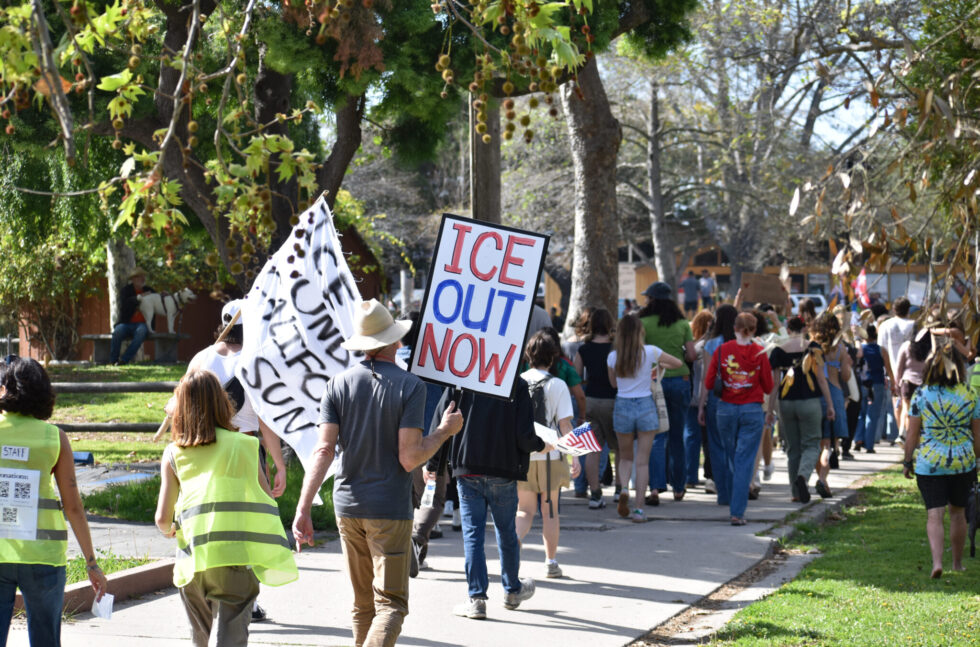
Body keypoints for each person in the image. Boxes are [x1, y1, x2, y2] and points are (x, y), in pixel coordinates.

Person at [292, 299, 463, 646]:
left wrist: (303, 506)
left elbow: (323, 450)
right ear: (395, 341)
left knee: (363, 605)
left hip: (347, 507)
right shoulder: (410, 385)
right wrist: (444, 432)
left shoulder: (337, 384)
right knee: (391, 605)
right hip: (389, 508)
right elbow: (409, 457)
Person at [155, 370, 297, 647]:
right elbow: (264, 499)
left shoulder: (173, 453)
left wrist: (170, 529)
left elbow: (162, 518)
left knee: (200, 637)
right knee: (231, 637)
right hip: (235, 557)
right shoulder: (245, 445)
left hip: (193, 559)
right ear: (223, 403)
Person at [168, 299, 288, 622]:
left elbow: (179, 404)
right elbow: (264, 418)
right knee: (244, 524)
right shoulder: (254, 361)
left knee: (210, 520)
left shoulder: (201, 358)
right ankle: (244, 598)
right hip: (242, 450)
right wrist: (278, 462)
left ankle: (208, 588)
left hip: (201, 450)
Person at [0, 357, 107, 647]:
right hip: (44, 554)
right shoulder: (54, 438)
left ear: (5, 389)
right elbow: (72, 506)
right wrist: (91, 563)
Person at [427, 382, 544, 620]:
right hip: (504, 467)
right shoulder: (516, 383)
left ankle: (477, 598)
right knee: (506, 531)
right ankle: (512, 590)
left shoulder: (461, 378)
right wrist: (541, 445)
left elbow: (441, 420)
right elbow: (524, 436)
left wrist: (432, 463)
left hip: (467, 465)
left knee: (473, 534)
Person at [902, 337, 980, 578]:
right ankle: (957, 563)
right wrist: (976, 460)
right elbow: (978, 434)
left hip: (930, 463)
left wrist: (907, 461)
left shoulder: (921, 395)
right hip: (963, 462)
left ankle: (937, 562)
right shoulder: (970, 394)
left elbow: (912, 433)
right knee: (958, 513)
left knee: (934, 514)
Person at [608, 314, 683, 522]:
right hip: (646, 406)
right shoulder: (650, 352)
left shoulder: (613, 356)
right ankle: (639, 510)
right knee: (642, 462)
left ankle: (624, 488)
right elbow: (678, 362)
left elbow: (613, 384)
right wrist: (658, 368)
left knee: (625, 457)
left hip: (622, 405)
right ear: (640, 332)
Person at [517, 332, 580, 579]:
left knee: (524, 511)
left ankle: (513, 545)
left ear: (528, 355)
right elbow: (565, 425)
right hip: (551, 457)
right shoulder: (558, 385)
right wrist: (575, 457)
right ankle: (551, 562)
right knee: (550, 511)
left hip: (523, 455)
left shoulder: (518, 382)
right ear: (553, 357)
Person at [703, 312, 774, 525]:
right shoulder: (760, 352)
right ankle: (737, 512)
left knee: (729, 454)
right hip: (751, 410)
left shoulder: (722, 350)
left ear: (734, 328)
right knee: (744, 460)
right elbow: (768, 386)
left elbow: (709, 383)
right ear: (754, 330)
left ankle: (726, 496)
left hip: (725, 408)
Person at [637, 282, 697, 504]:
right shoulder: (682, 324)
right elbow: (691, 355)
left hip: (653, 382)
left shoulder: (643, 323)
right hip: (680, 379)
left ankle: (655, 487)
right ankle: (679, 487)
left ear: (652, 299)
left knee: (655, 436)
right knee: (677, 435)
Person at [768, 317, 834, 502]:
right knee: (812, 444)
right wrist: (830, 404)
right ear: (805, 328)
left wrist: (770, 410)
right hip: (809, 401)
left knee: (793, 448)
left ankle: (796, 493)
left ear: (788, 330)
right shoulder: (813, 348)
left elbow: (775, 384)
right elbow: (821, 379)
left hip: (786, 403)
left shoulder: (778, 351)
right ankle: (803, 476)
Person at [573, 308, 618, 508]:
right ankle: (619, 490)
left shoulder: (584, 349)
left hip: (591, 400)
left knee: (593, 449)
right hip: (613, 400)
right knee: (619, 448)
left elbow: (576, 376)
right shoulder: (615, 348)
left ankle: (595, 494)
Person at [698, 304, 738, 503]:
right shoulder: (742, 343)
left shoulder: (712, 344)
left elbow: (707, 377)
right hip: (739, 396)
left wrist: (701, 404)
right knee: (736, 446)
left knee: (716, 445)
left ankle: (723, 492)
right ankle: (737, 489)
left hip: (717, 397)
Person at [877, 297, 915, 443]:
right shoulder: (914, 325)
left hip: (892, 371)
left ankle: (902, 434)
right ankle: (905, 435)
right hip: (911, 373)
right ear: (908, 309)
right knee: (909, 405)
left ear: (893, 309)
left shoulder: (885, 325)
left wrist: (891, 375)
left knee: (897, 405)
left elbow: (883, 352)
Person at [687, 310, 714, 488]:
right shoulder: (712, 347)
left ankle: (690, 475)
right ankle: (710, 475)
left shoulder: (695, 347)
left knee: (691, 436)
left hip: (693, 396)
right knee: (710, 439)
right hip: (708, 397)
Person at [110, 266, 155, 364]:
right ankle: (113, 360)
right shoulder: (126, 291)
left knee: (141, 331)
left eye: (143, 276)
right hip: (126, 323)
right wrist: (139, 297)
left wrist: (164, 295)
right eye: (139, 277)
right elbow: (125, 305)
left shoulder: (149, 290)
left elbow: (159, 299)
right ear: (133, 279)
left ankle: (124, 360)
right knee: (117, 331)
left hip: (142, 324)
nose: (143, 279)